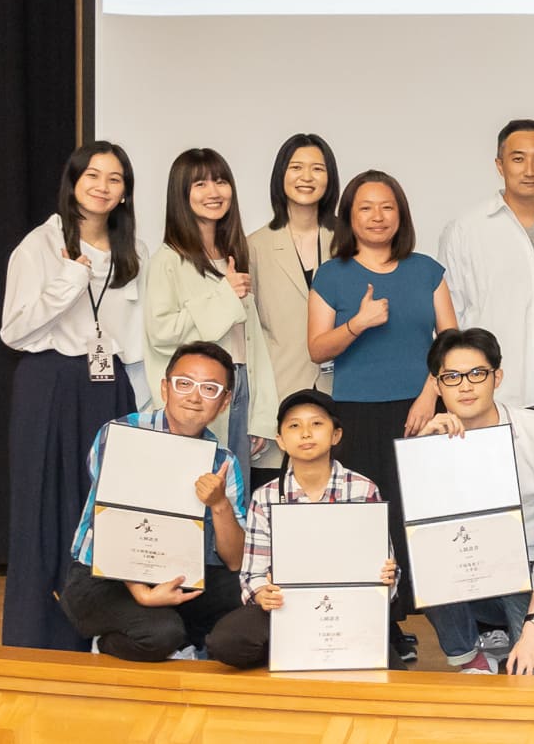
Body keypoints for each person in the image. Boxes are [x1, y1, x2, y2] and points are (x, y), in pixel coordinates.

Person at [0, 141, 148, 651]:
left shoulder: (135, 250)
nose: (103, 187)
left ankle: (103, 633)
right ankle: (36, 635)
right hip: (50, 383)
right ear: (73, 182)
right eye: (93, 176)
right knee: (42, 506)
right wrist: (70, 277)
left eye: (115, 179)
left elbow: (137, 337)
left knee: (104, 507)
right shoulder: (40, 245)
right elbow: (13, 331)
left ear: (125, 192)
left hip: (110, 386)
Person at [306, 169, 457, 659]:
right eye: (365, 207)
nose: (377, 216)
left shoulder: (427, 270)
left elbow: (451, 345)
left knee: (418, 519)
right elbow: (317, 348)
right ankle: (381, 626)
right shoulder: (332, 274)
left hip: (420, 412)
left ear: (401, 214)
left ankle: (436, 626)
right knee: (369, 522)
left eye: (387, 206)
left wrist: (429, 394)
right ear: (349, 216)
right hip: (356, 414)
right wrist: (358, 323)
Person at [59, 341, 249, 661]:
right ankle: (114, 643)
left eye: (210, 388)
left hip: (180, 575)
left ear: (225, 401)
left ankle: (180, 642)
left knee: (244, 592)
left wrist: (219, 504)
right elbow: (114, 520)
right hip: (104, 576)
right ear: (165, 388)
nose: (194, 396)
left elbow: (234, 561)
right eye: (184, 383)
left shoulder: (223, 460)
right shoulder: (121, 433)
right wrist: (142, 593)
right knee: (161, 634)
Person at [411, 328, 534, 674]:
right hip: (475, 573)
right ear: (437, 385)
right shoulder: (433, 440)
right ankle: (470, 656)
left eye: (477, 373)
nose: (465, 386)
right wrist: (425, 455)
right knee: (423, 550)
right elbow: (426, 539)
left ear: (497, 377)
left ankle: (509, 633)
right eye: (452, 377)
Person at [204, 388, 399, 670]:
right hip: (286, 606)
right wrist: (262, 593)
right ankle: (294, 651)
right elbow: (252, 573)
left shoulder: (362, 489)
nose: (306, 433)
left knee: (388, 675)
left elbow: (385, 568)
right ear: (281, 441)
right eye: (294, 426)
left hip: (348, 608)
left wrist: (386, 577)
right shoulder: (266, 496)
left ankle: (313, 651)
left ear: (336, 435)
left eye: (316, 423)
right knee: (227, 641)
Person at [144, 148, 278, 472]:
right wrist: (224, 295)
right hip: (198, 393)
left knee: (232, 489)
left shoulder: (234, 253)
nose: (214, 192)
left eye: (220, 181)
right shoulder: (168, 259)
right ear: (181, 194)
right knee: (194, 485)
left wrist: (261, 416)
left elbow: (252, 343)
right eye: (200, 184)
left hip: (239, 385)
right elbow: (161, 332)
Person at [439, 120, 534, 420]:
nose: (530, 170)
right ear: (500, 165)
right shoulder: (466, 230)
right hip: (487, 393)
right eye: (518, 159)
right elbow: (450, 317)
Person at [244, 134, 339, 487]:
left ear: (330, 178)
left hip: (341, 394)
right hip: (278, 398)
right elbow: (250, 338)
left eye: (317, 169)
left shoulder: (348, 240)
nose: (307, 177)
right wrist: (257, 415)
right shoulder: (254, 246)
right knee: (275, 499)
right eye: (296, 167)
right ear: (280, 175)